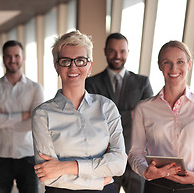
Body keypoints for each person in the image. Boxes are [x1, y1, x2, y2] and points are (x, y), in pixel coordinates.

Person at [128, 40, 194, 193]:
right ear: (160, 66)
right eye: (167, 62)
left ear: (189, 65)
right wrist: (145, 171)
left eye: (180, 62)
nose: (173, 68)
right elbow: (135, 152)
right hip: (157, 187)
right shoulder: (144, 108)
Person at [32, 30, 127, 192]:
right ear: (56, 66)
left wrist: (66, 166)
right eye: (65, 61)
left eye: (80, 60)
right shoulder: (43, 114)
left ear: (89, 66)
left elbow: (119, 164)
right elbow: (48, 175)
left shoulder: (107, 107)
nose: (73, 67)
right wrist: (98, 181)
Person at [85, 32, 153, 193]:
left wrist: (109, 115)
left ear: (128, 52)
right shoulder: (91, 83)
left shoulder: (142, 83)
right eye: (113, 51)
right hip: (104, 157)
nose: (117, 55)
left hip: (136, 157)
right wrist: (131, 113)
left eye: (122, 51)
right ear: (105, 51)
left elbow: (149, 116)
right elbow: (92, 119)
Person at [0, 40, 44, 193]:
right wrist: (25, 114)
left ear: (23, 58)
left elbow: (36, 124)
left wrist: (2, 117)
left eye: (16, 56)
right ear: (3, 59)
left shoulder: (35, 88)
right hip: (0, 157)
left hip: (28, 157)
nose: (13, 60)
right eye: (8, 56)